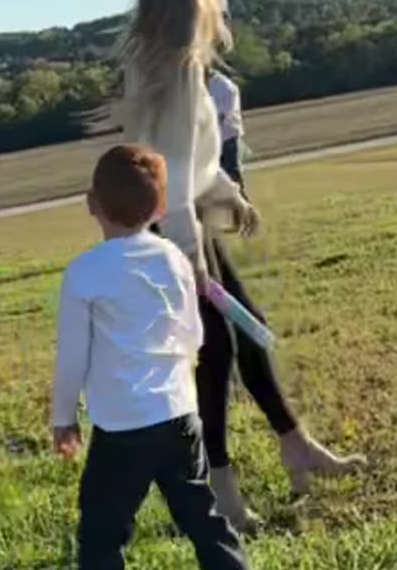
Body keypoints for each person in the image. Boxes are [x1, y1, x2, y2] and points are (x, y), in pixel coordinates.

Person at [115, 0, 363, 531]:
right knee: (216, 353)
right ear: (195, 3)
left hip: (180, 223)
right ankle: (218, 494)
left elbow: (192, 163)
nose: (220, 5)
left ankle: (296, 446)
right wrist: (194, 261)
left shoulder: (175, 70)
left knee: (248, 331)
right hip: (171, 230)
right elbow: (171, 181)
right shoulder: (175, 75)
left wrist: (230, 195)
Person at [52, 144, 249, 570]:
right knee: (205, 520)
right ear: (160, 207)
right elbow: (194, 335)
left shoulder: (84, 273)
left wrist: (63, 418)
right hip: (180, 416)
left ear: (92, 204)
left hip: (121, 428)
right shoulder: (174, 257)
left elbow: (72, 357)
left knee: (102, 534)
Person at [207, 70, 246, 190]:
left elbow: (222, 114)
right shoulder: (201, 85)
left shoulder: (223, 85)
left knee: (231, 174)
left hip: (226, 137)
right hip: (211, 140)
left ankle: (242, 202)